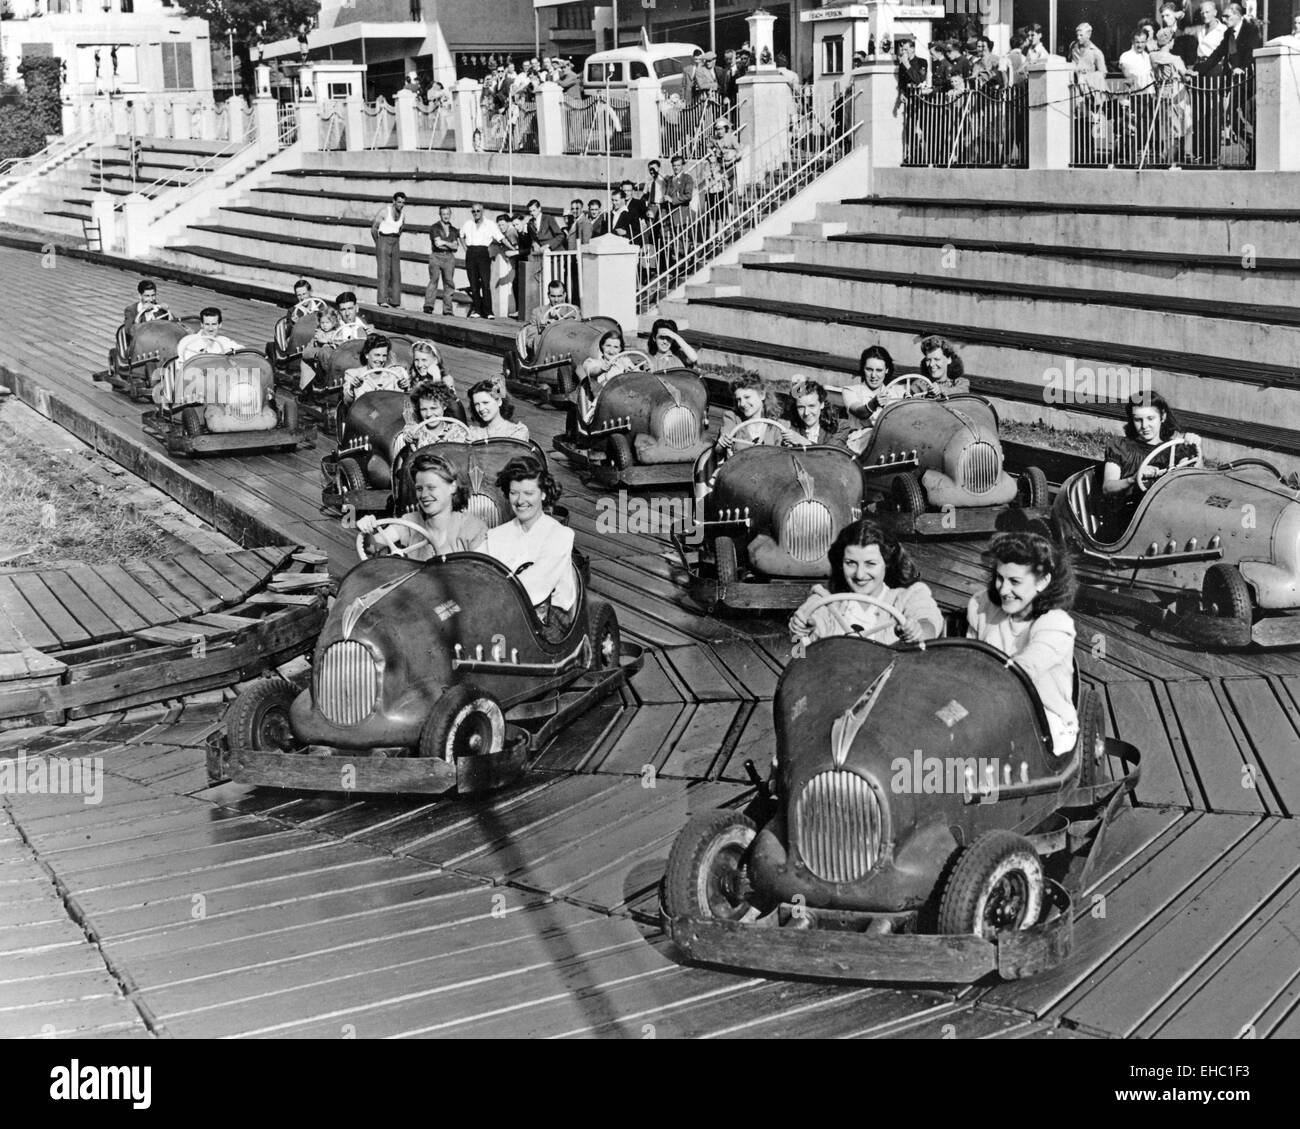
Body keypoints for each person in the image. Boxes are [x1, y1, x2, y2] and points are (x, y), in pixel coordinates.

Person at [967, 522, 1078, 755]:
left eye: (1015, 581)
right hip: (986, 703)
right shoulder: (982, 606)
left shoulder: (1055, 623)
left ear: (1042, 581)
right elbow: (968, 657)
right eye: (999, 577)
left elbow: (1026, 668)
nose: (1003, 589)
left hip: (1045, 718)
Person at [789, 519, 943, 648]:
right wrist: (804, 626)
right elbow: (809, 627)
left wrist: (916, 631)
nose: (860, 574)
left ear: (887, 562)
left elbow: (927, 622)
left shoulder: (909, 597)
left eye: (870, 563)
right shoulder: (824, 599)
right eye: (851, 563)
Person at [483, 455, 576, 639]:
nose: (520, 500)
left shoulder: (560, 535)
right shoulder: (497, 535)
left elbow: (536, 585)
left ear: (543, 493)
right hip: (506, 610)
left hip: (550, 617)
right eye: (514, 493)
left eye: (528, 493)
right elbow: (474, 567)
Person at [357, 452, 487, 561]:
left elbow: (483, 576)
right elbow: (372, 548)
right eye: (419, 488)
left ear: (452, 487)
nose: (424, 495)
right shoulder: (410, 522)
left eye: (431, 487)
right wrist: (368, 530)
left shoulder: (473, 528)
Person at [1100, 393, 1197, 527]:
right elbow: (1107, 488)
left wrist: (1196, 447)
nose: (1145, 426)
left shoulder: (1175, 449)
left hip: (1166, 516)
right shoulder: (1120, 446)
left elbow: (1194, 484)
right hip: (1128, 519)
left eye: (1150, 418)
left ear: (1162, 417)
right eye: (1138, 420)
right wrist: (1133, 479)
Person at [392, 381, 466, 461]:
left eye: (433, 408)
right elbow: (408, 434)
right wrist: (408, 438)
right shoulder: (415, 432)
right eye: (423, 409)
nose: (429, 414)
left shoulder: (457, 431)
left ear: (444, 406)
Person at [576, 329, 636, 427]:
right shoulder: (593, 362)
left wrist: (633, 370)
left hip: (624, 398)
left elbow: (633, 369)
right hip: (603, 401)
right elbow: (592, 370)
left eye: (616, 347)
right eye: (608, 346)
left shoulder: (624, 361)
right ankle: (591, 417)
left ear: (620, 349)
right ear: (602, 346)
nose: (612, 350)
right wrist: (602, 369)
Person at [717, 373, 783, 453]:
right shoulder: (732, 418)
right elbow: (720, 445)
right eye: (738, 399)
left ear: (762, 395)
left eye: (747, 397)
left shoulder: (776, 426)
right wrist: (722, 442)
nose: (742, 404)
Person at [524, 198, 566, 314]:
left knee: (557, 283)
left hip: (555, 255)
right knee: (546, 283)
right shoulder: (530, 224)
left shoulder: (548, 218)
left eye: (534, 210)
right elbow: (533, 239)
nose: (532, 213)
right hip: (543, 257)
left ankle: (561, 310)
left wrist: (548, 245)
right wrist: (534, 243)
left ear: (539, 209)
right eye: (530, 211)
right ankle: (549, 311)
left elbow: (560, 235)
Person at [781, 378, 848, 450]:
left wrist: (802, 441)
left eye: (811, 406)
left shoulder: (840, 426)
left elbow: (831, 453)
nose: (806, 413)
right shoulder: (793, 429)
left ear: (822, 404)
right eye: (801, 407)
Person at [342, 334, 410, 405]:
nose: (381, 360)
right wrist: (352, 389)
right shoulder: (353, 374)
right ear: (366, 354)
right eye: (377, 355)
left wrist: (405, 388)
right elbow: (347, 403)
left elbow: (401, 403)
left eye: (384, 356)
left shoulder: (394, 375)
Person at [518, 280, 576, 360]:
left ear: (565, 295)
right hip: (546, 356)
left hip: (568, 351)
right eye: (553, 296)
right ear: (548, 295)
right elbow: (530, 341)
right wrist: (544, 330)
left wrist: (557, 324)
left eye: (559, 296)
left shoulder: (572, 311)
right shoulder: (538, 312)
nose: (556, 300)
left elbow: (576, 330)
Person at [460, 202, 497, 318]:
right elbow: (461, 235)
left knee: (485, 283)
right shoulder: (468, 223)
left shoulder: (490, 224)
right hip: (471, 253)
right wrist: (466, 249)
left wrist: (512, 247)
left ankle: (488, 311)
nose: (475, 213)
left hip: (483, 253)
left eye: (478, 211)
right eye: (473, 211)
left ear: (482, 211)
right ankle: (477, 310)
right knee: (474, 284)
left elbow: (500, 237)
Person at [371, 191, 406, 308]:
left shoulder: (403, 215)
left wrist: (394, 240)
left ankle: (395, 301)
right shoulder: (385, 211)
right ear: (394, 201)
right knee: (384, 272)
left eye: (403, 203)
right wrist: (379, 243)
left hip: (395, 241)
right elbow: (374, 229)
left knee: (396, 272)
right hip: (383, 240)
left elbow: (401, 229)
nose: (401, 205)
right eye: (399, 202)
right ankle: (382, 300)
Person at [424, 205, 458, 316]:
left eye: (448, 214)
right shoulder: (435, 227)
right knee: (434, 280)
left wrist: (445, 243)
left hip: (449, 257)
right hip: (436, 256)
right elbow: (438, 244)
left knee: (449, 283)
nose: (446, 216)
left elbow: (456, 247)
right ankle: (428, 305)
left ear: (450, 214)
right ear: (440, 215)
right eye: (443, 214)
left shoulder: (453, 229)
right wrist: (449, 244)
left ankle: (447, 310)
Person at [176, 307, 240, 364]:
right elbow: (185, 366)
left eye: (214, 324)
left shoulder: (224, 341)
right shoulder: (188, 341)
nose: (210, 328)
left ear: (220, 325)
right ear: (202, 324)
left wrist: (230, 350)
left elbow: (242, 350)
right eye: (207, 324)